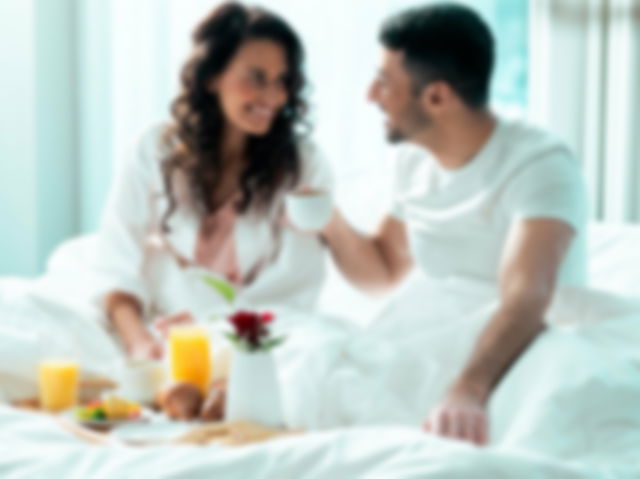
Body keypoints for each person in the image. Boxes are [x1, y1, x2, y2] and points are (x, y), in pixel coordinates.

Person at [320, 3, 587, 445]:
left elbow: (526, 296)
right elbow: (385, 272)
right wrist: (326, 217)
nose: (370, 95)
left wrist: (468, 389)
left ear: (438, 97)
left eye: (384, 82)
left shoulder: (540, 164)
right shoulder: (410, 159)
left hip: (521, 346)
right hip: (440, 344)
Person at [97, 2, 332, 361]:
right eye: (256, 77)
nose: (273, 96)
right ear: (211, 77)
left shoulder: (303, 165)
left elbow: (293, 289)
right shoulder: (153, 148)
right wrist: (140, 342)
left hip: (255, 332)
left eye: (282, 81)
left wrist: (209, 332)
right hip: (165, 311)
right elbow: (116, 259)